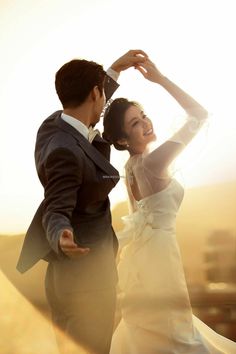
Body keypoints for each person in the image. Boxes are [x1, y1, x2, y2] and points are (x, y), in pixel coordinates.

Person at [16, 50, 148, 354]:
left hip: (62, 278)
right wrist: (61, 234)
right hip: (87, 278)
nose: (103, 101)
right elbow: (56, 205)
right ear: (94, 93)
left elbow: (88, 108)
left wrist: (114, 71)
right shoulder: (66, 151)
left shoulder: (53, 126)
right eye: (101, 92)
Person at [103, 58, 236, 353]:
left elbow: (138, 217)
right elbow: (199, 115)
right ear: (123, 138)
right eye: (135, 123)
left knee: (157, 330)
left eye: (144, 116)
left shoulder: (132, 166)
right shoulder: (152, 162)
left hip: (146, 258)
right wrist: (161, 79)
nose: (146, 123)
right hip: (161, 256)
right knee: (175, 335)